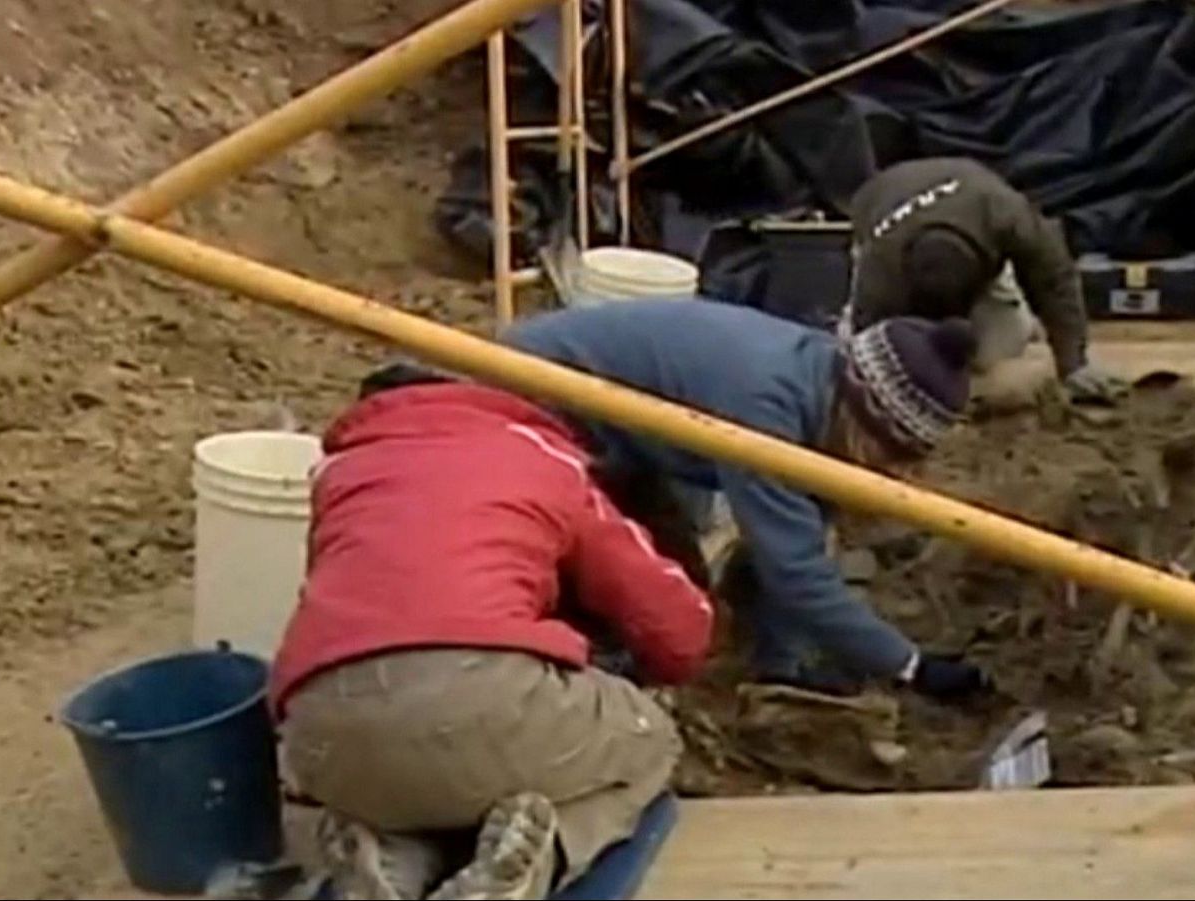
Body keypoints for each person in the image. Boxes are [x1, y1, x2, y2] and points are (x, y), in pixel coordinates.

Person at [269, 365, 714, 901]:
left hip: (320, 732)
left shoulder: (341, 471)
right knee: (653, 739)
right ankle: (539, 860)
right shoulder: (542, 457)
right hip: (481, 695)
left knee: (408, 771)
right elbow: (674, 622)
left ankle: (390, 853)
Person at [505, 299, 991, 701]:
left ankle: (769, 659)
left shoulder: (821, 379)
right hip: (531, 399)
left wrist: (785, 666)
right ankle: (585, 684)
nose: (890, 473)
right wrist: (912, 666)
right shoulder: (768, 409)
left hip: (617, 430)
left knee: (680, 585)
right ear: (866, 419)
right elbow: (797, 570)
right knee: (645, 605)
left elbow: (804, 530)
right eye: (892, 454)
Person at [843, 156, 1126, 402]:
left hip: (972, 207)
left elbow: (1055, 279)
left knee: (997, 352)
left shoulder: (1008, 216)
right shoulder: (881, 270)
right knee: (874, 359)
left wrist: (1073, 365)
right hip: (880, 202)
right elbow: (863, 344)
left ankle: (1007, 328)